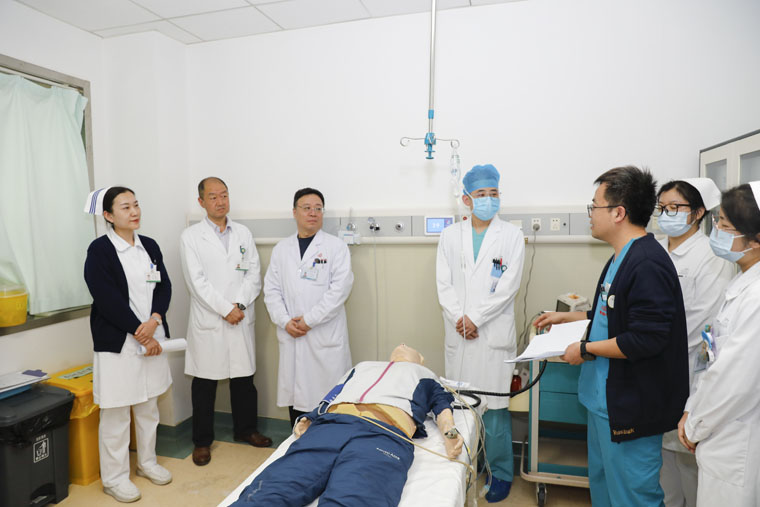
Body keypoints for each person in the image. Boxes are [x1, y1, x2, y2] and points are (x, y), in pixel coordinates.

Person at [534, 166, 689, 507]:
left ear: (618, 213)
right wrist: (569, 316)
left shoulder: (647, 263)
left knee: (634, 497)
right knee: (604, 490)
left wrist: (585, 349)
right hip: (603, 403)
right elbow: (613, 315)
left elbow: (646, 338)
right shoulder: (622, 256)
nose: (590, 213)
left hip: (629, 408)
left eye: (595, 206)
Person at [231, 344, 464, 507]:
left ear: (419, 359)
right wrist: (311, 416)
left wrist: (450, 434)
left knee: (354, 498)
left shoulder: (425, 375)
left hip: (382, 434)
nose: (402, 344)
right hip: (330, 425)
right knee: (273, 488)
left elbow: (442, 407)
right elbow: (333, 394)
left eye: (408, 346)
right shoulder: (362, 366)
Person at [436, 164, 525, 502]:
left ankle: (500, 471)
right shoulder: (450, 236)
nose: (489, 199)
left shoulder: (511, 236)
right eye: (481, 194)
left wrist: (475, 318)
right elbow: (443, 283)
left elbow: (508, 286)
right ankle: (468, 465)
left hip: (492, 334)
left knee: (496, 411)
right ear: (467, 199)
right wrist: (460, 318)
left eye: (494, 193)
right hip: (459, 332)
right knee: (462, 407)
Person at [83, 186, 173, 503]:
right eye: (125, 207)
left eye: (135, 205)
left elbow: (163, 286)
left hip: (152, 336)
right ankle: (115, 478)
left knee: (149, 406)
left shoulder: (149, 245)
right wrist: (139, 330)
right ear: (108, 215)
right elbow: (106, 298)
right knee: (117, 413)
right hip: (119, 343)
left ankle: (147, 463)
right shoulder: (100, 250)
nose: (134, 211)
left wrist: (155, 319)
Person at [678, 182, 760, 507]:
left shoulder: (756, 298)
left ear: (756, 239)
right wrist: (692, 408)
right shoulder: (741, 282)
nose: (716, 231)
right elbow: (711, 356)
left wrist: (695, 424)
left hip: (736, 443)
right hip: (718, 432)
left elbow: (735, 381)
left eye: (724, 225)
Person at [180, 177, 272, 467]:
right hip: (210, 318)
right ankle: (202, 441)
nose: (220, 201)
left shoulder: (243, 233)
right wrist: (224, 309)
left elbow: (254, 274)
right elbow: (196, 282)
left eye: (224, 195)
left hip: (240, 315)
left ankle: (246, 429)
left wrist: (239, 305)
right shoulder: (191, 237)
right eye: (213, 197)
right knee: (204, 384)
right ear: (201, 202)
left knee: (243, 379)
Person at [655, 178, 734, 507]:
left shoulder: (711, 255)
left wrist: (652, 342)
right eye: (662, 207)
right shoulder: (655, 248)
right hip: (655, 365)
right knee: (662, 459)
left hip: (688, 368)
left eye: (675, 207)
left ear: (699, 212)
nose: (666, 213)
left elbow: (703, 321)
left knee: (688, 457)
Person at [263, 187, 354, 427]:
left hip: (323, 335)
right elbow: (271, 290)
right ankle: (297, 440)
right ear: (294, 212)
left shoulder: (336, 247)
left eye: (318, 208)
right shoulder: (282, 249)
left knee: (329, 401)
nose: (313, 213)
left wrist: (308, 320)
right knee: (297, 401)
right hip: (291, 333)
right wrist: (285, 321)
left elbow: (339, 291)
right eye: (307, 208)